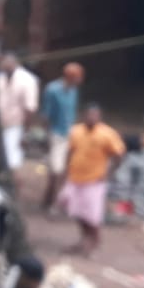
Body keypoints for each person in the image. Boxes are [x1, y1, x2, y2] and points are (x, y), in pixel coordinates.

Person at [60, 105, 126, 257]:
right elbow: (70, 151)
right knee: (76, 211)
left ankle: (94, 242)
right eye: (89, 115)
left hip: (94, 180)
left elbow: (119, 154)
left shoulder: (107, 134)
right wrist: (66, 170)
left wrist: (109, 173)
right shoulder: (76, 131)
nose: (91, 118)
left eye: (94, 116)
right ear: (84, 116)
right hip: (75, 177)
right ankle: (83, 238)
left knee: (92, 214)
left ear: (99, 117)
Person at [40, 63, 84, 212]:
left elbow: (72, 111)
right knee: (57, 171)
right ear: (70, 77)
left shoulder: (74, 91)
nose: (79, 81)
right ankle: (53, 204)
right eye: (77, 78)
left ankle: (50, 200)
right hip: (56, 133)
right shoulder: (52, 90)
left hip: (70, 132)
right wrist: (47, 137)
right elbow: (46, 115)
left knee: (63, 170)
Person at [0, 51, 39, 172]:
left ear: (15, 63)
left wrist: (25, 133)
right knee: (0, 158)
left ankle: (12, 187)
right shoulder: (0, 78)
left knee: (12, 160)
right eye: (3, 64)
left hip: (16, 126)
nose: (4, 66)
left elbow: (30, 109)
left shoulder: (27, 80)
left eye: (7, 64)